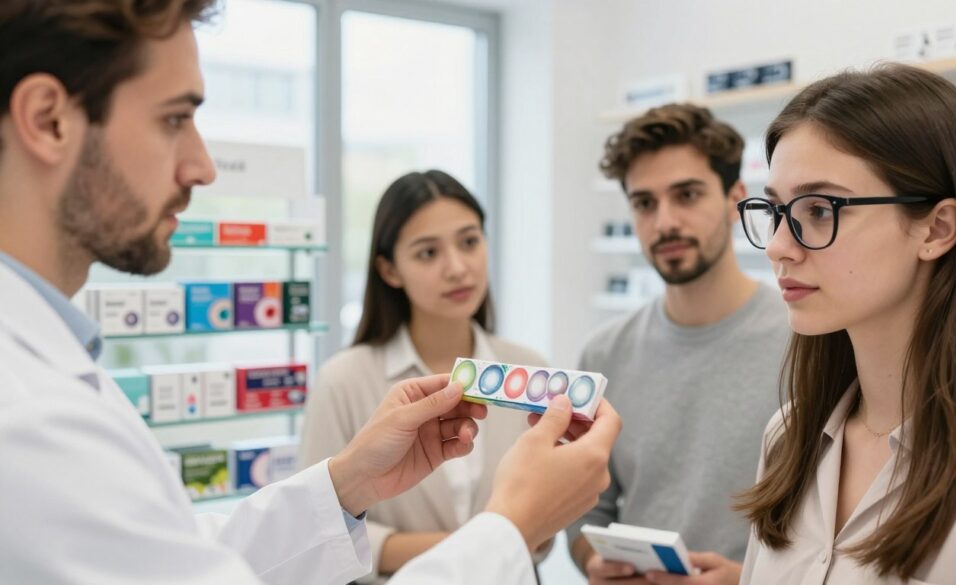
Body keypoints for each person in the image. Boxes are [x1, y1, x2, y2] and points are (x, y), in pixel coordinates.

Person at [0, 2, 622, 583]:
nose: (203, 167)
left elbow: (199, 553)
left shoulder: (50, 365)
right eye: (174, 119)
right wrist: (509, 527)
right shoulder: (27, 417)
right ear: (48, 120)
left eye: (469, 241)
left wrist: (347, 483)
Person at [727, 64, 956, 585]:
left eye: (819, 210)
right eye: (775, 211)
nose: (777, 246)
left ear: (937, 228)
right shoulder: (790, 435)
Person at [567, 104, 790, 584]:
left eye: (686, 195)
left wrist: (750, 579)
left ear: (736, 198)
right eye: (644, 203)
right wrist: (592, 561)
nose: (664, 222)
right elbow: (585, 510)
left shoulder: (809, 343)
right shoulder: (603, 354)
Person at [300, 170, 549, 583]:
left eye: (470, 242)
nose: (457, 268)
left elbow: (543, 521)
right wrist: (481, 546)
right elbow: (315, 526)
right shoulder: (344, 380)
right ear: (390, 270)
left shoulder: (530, 370)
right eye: (428, 253)